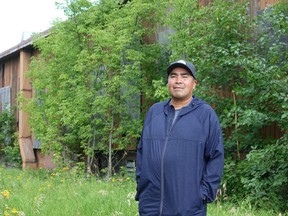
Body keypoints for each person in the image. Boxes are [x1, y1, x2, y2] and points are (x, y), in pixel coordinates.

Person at [135, 60, 224, 216]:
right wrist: (141, 186)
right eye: (173, 76)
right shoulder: (154, 112)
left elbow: (215, 158)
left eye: (184, 76)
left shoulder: (205, 115)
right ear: (168, 81)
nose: (178, 81)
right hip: (150, 206)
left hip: (188, 208)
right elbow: (142, 152)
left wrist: (203, 194)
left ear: (194, 83)